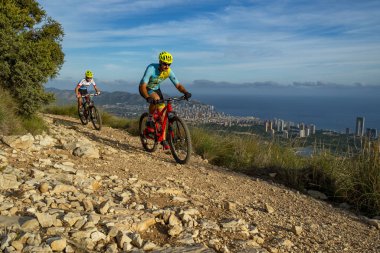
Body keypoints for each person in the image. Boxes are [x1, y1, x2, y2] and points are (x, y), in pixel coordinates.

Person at [139, 51, 192, 150]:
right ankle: (150, 119)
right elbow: (143, 85)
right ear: (160, 61)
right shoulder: (151, 68)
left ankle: (163, 139)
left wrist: (185, 92)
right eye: (164, 63)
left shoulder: (168, 71)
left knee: (163, 116)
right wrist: (147, 97)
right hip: (146, 88)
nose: (167, 66)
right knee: (156, 99)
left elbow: (178, 85)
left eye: (169, 64)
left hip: (156, 89)